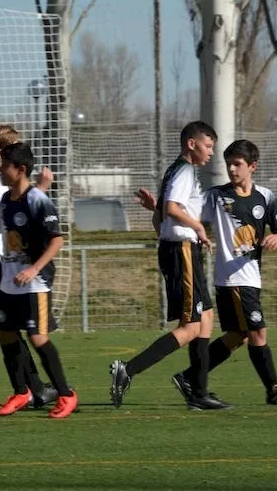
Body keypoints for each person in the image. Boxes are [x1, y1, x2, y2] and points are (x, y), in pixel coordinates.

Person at [138, 139, 277, 406]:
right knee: (257, 333)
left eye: (237, 164)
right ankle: (274, 390)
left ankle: (191, 377)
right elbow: (182, 211)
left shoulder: (265, 196)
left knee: (237, 336)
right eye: (228, 164)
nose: (232, 169)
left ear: (253, 166)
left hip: (251, 275)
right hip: (232, 278)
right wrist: (156, 206)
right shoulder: (217, 196)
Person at [109, 120, 230, 411]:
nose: (211, 152)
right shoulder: (185, 170)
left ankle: (197, 389)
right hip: (182, 252)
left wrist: (157, 209)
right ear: (192, 144)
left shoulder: (177, 172)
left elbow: (163, 218)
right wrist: (198, 227)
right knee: (190, 327)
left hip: (182, 250)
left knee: (207, 319)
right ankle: (128, 369)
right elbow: (174, 211)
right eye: (208, 145)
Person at [0, 142, 78, 419]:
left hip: (35, 283)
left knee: (37, 337)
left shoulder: (37, 199)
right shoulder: (7, 200)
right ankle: (21, 391)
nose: (1, 171)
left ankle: (66, 394)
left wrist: (34, 268)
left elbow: (57, 239)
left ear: (20, 169)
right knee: (6, 333)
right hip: (10, 282)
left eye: (6, 166)